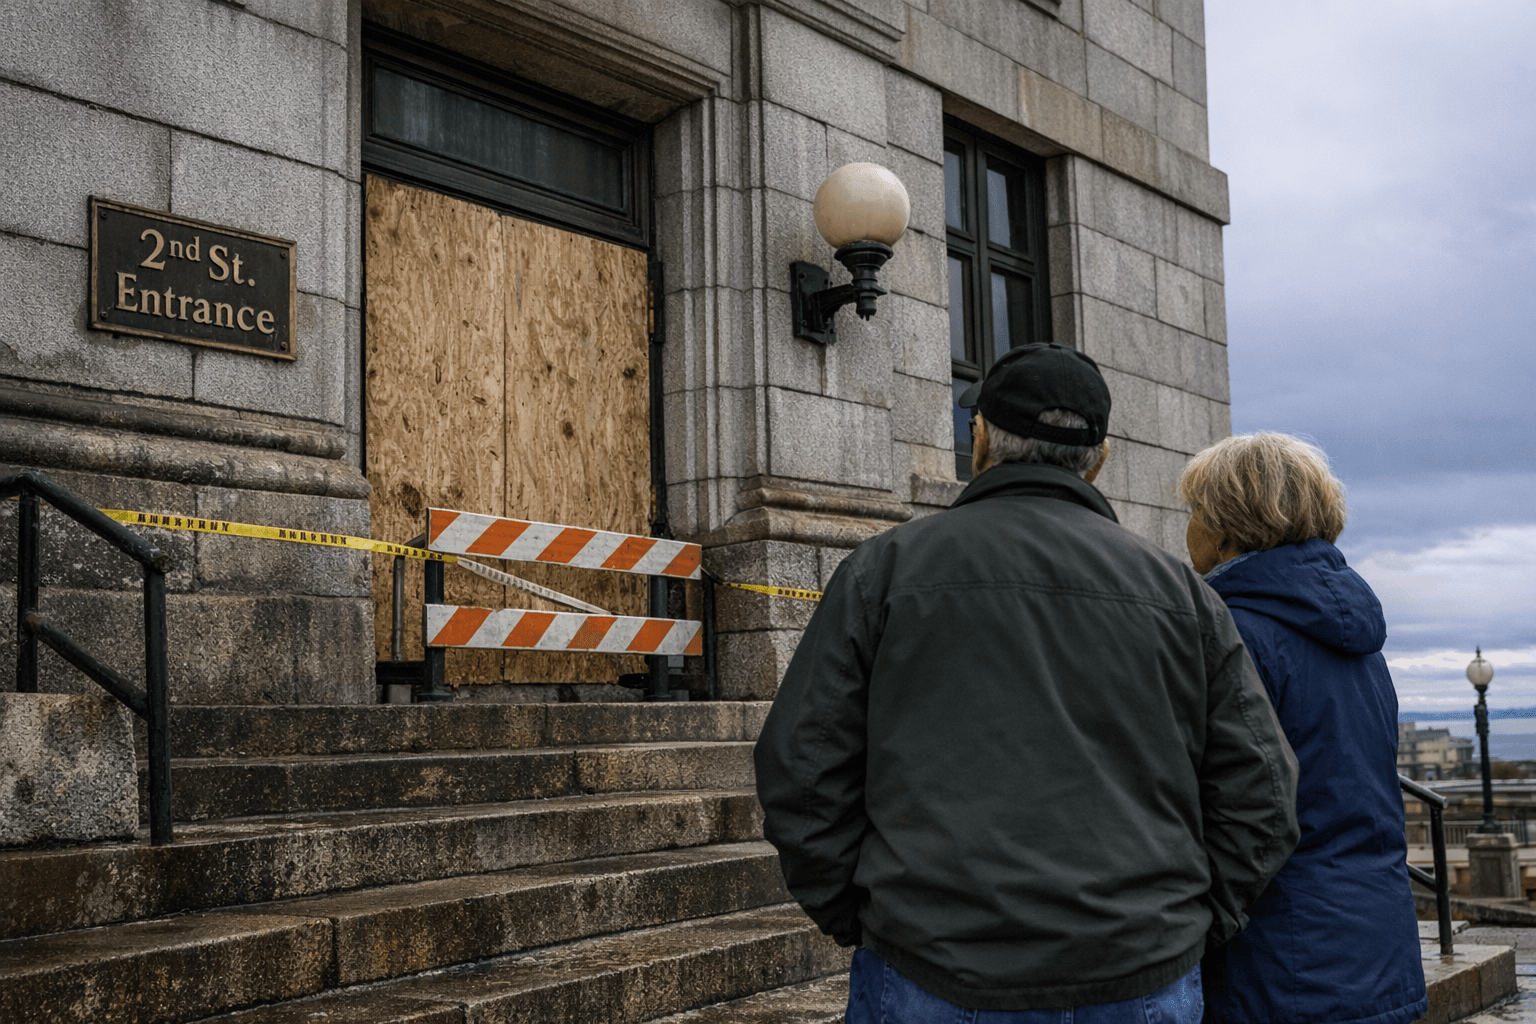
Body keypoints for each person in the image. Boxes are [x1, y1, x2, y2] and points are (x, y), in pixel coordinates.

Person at [754, 342, 1300, 1024]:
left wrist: (866, 916)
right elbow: (1263, 791)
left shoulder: (883, 571)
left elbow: (802, 770)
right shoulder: (1181, 593)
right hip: (1137, 969)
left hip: (932, 964)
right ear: (1099, 458)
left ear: (979, 436)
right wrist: (1189, 924)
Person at [1178, 433, 1427, 1024]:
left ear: (1226, 526)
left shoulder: (1233, 633)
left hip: (1280, 961)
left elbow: (1243, 810)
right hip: (1377, 946)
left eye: (1192, 511)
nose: (1186, 528)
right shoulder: (1357, 641)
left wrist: (1201, 924)